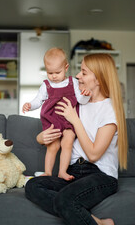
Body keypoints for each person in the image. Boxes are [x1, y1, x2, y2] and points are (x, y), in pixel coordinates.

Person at [25, 53, 128, 225]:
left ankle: (76, 210)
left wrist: (75, 120)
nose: (78, 76)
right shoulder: (78, 102)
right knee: (32, 186)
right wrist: (40, 138)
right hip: (73, 173)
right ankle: (95, 221)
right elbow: (55, 125)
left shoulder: (109, 110)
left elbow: (94, 154)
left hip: (100, 175)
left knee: (64, 200)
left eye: (84, 72)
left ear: (99, 79)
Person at [22, 48, 91, 181]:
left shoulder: (73, 82)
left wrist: (86, 95)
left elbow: (80, 100)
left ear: (66, 68)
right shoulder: (46, 85)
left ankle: (62, 172)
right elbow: (38, 100)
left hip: (68, 118)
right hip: (52, 119)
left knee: (68, 140)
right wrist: (30, 105)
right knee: (53, 146)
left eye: (57, 72)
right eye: (50, 73)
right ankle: (48, 172)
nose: (53, 76)